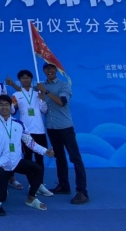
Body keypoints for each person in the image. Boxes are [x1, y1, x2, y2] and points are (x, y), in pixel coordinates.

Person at [0, 95, 55, 215]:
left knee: (38, 169)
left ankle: (31, 198)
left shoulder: (19, 124)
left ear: (11, 106)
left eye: (6, 104)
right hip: (1, 164)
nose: (4, 107)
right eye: (1, 104)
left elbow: (30, 142)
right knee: (2, 197)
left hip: (16, 161)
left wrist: (45, 151)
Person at [36, 63, 89, 205]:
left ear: (56, 70)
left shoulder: (63, 85)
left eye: (52, 68)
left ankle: (82, 192)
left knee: (75, 158)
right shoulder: (41, 86)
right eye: (47, 68)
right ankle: (64, 185)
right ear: (43, 70)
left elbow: (62, 102)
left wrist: (46, 92)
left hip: (65, 127)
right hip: (51, 128)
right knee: (59, 158)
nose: (49, 70)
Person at [7, 70, 53, 197]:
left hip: (40, 131)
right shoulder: (16, 95)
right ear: (20, 80)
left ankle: (40, 184)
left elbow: (44, 110)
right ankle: (31, 184)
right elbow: (12, 111)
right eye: (23, 78)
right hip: (25, 132)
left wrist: (42, 100)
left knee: (40, 159)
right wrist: (10, 104)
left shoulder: (38, 93)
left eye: (28, 77)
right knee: (27, 159)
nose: (25, 80)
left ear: (31, 79)